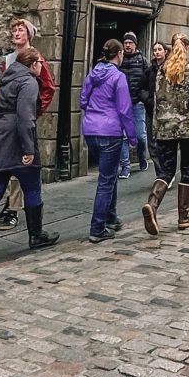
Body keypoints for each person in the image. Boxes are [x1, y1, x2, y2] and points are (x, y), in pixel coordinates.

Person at [0, 46, 60, 260]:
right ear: (33, 64)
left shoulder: (7, 80)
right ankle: (36, 235)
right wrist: (28, 149)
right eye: (40, 63)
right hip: (16, 141)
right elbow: (26, 117)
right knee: (32, 185)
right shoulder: (29, 82)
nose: (42, 66)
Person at [142, 34, 189, 235]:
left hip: (165, 127)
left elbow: (156, 101)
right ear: (186, 48)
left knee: (165, 171)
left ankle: (152, 204)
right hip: (188, 129)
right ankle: (183, 216)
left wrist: (155, 128)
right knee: (186, 170)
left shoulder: (162, 71)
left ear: (171, 48)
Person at [80, 39, 139, 243]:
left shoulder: (93, 73)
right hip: (110, 131)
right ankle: (97, 227)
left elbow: (83, 100)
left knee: (109, 174)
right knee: (106, 180)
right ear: (120, 54)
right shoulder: (118, 77)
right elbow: (124, 109)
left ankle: (111, 217)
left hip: (90, 130)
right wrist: (133, 136)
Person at [0, 18, 54, 226]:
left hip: (25, 117)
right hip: (8, 118)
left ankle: (13, 208)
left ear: (29, 34)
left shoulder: (36, 58)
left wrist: (35, 110)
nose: (16, 33)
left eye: (20, 30)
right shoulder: (8, 58)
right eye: (14, 30)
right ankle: (10, 203)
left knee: (24, 160)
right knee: (8, 160)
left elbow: (48, 87)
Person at [117, 32, 149, 178]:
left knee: (140, 136)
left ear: (135, 44)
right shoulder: (119, 60)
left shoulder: (142, 60)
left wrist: (144, 97)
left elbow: (150, 79)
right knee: (123, 137)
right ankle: (125, 166)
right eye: (126, 43)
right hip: (122, 104)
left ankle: (142, 157)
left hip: (138, 104)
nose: (128, 45)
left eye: (130, 43)